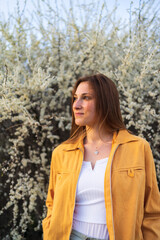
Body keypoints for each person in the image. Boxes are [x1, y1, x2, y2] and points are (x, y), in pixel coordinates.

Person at [42, 73, 160, 240]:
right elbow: (52, 205)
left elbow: (152, 212)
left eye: (86, 98)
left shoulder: (138, 148)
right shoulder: (62, 153)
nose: (76, 105)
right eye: (75, 98)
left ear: (105, 102)